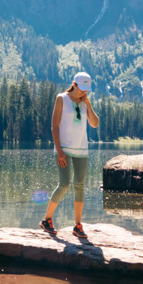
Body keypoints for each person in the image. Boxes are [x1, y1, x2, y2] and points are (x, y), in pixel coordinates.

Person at [40, 71, 100, 238]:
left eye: (86, 90)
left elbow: (94, 124)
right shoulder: (62, 98)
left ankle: (78, 226)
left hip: (81, 149)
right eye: (82, 89)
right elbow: (54, 126)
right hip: (64, 149)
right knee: (64, 183)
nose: (84, 92)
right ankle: (47, 220)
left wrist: (88, 103)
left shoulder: (84, 102)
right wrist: (59, 151)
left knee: (79, 185)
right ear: (74, 84)